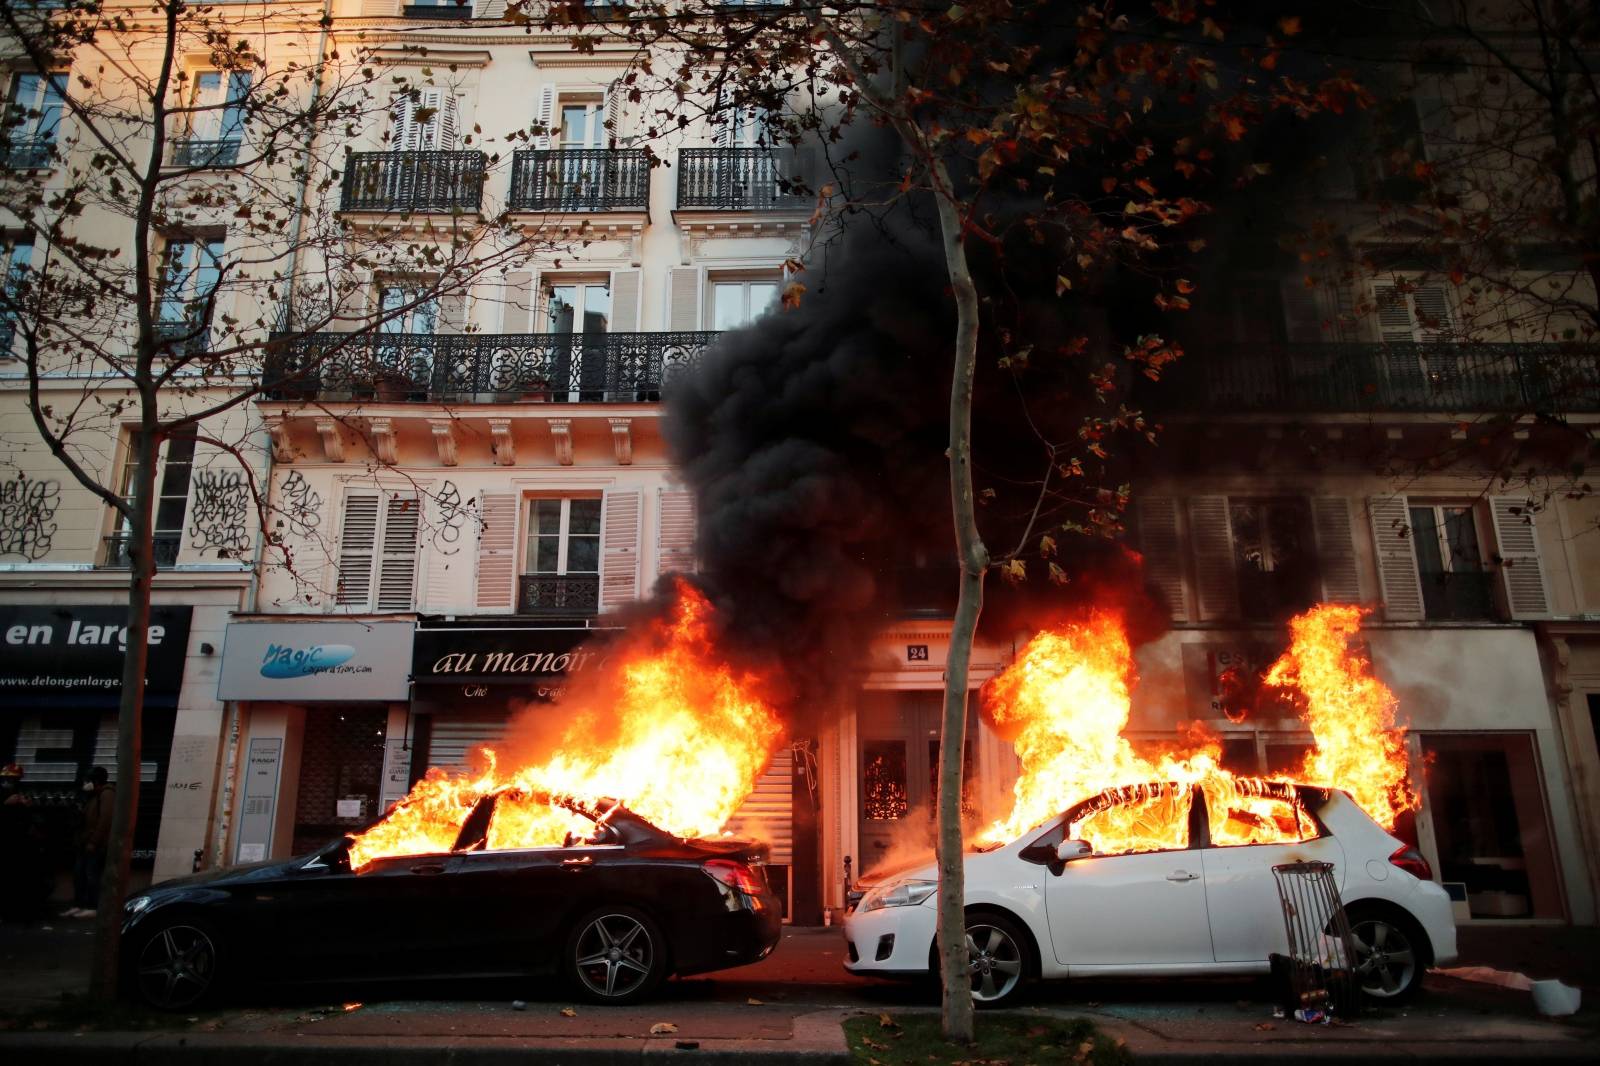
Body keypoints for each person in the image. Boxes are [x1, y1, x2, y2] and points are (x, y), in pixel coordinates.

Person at [64, 766, 113, 919]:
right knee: (79, 875)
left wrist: (94, 841)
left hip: (95, 845)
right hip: (83, 843)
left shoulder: (106, 794)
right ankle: (79, 904)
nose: (86, 783)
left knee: (92, 875)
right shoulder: (91, 796)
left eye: (89, 780)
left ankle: (93, 906)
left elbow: (105, 820)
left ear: (96, 781)